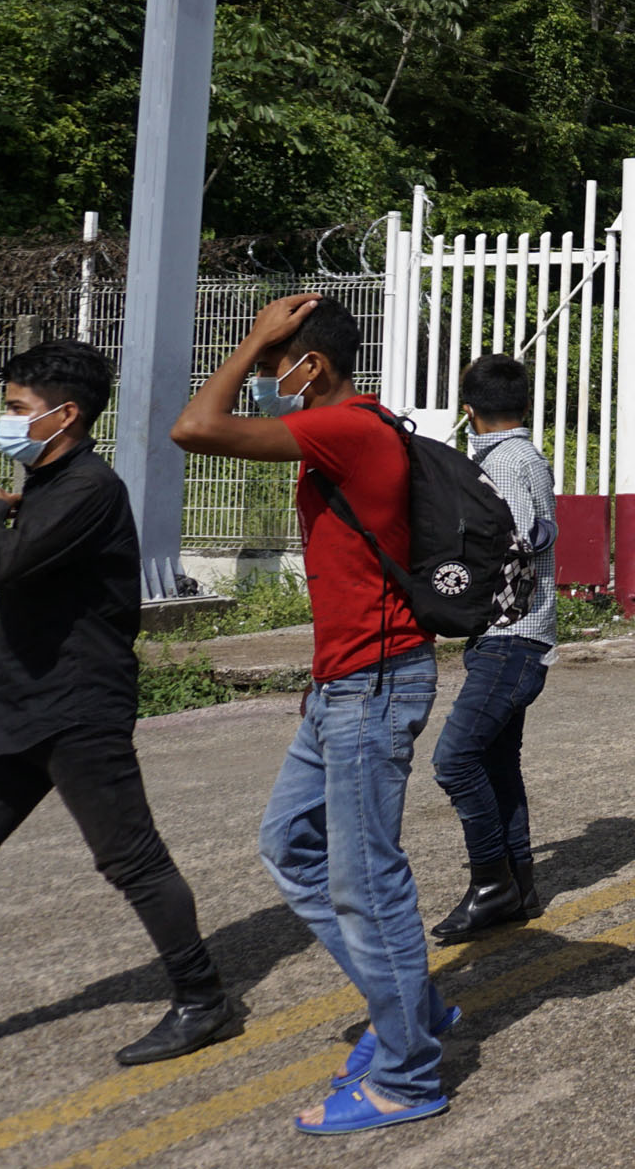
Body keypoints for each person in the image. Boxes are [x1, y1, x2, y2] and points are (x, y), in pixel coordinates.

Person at [0, 342, 238, 1093]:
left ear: (66, 413)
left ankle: (202, 997)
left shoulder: (89, 489)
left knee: (129, 859)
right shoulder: (50, 485)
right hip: (21, 709)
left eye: (18, 408)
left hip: (79, 710)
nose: (7, 420)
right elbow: (30, 619)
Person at [170, 295, 452, 1133]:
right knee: (289, 845)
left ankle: (408, 1075)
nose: (262, 382)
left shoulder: (349, 429)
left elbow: (193, 427)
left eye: (268, 368)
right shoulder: (349, 429)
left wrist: (256, 333)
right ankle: (417, 1007)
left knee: (366, 882)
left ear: (310, 365)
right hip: (346, 685)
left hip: (372, 686)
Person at [426, 355, 559, 942]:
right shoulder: (520, 455)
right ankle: (520, 881)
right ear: (525, 405)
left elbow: (515, 537)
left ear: (468, 409)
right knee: (498, 761)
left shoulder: (504, 462)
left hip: (510, 634)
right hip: (517, 635)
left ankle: (491, 882)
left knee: (454, 760)